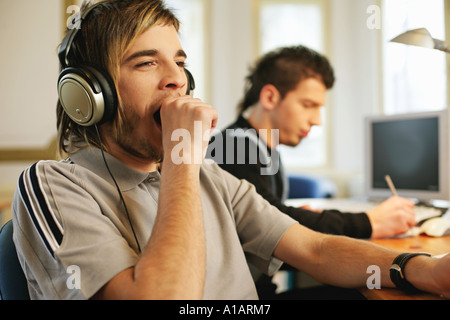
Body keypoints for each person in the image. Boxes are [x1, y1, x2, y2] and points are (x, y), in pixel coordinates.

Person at [11, 0, 450, 300]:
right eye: (147, 62)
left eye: (180, 63)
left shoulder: (208, 175)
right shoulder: (52, 184)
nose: (177, 80)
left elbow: (314, 250)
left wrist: (419, 267)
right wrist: (182, 157)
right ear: (89, 94)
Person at [208, 46, 416, 240]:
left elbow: (272, 214)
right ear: (270, 97)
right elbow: (268, 225)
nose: (317, 120)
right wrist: (369, 223)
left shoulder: (261, 149)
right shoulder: (234, 147)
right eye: (308, 105)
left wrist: (299, 217)